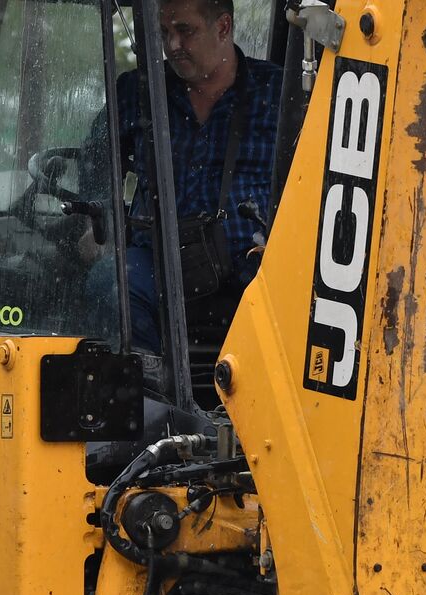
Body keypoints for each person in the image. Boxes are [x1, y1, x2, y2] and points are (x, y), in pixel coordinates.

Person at [83, 0, 282, 351]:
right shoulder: (138, 91)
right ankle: (149, 393)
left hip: (251, 264)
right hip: (156, 260)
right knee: (109, 285)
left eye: (185, 31)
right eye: (164, 33)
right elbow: (95, 159)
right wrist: (97, 224)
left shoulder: (280, 95)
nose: (172, 45)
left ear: (222, 26)